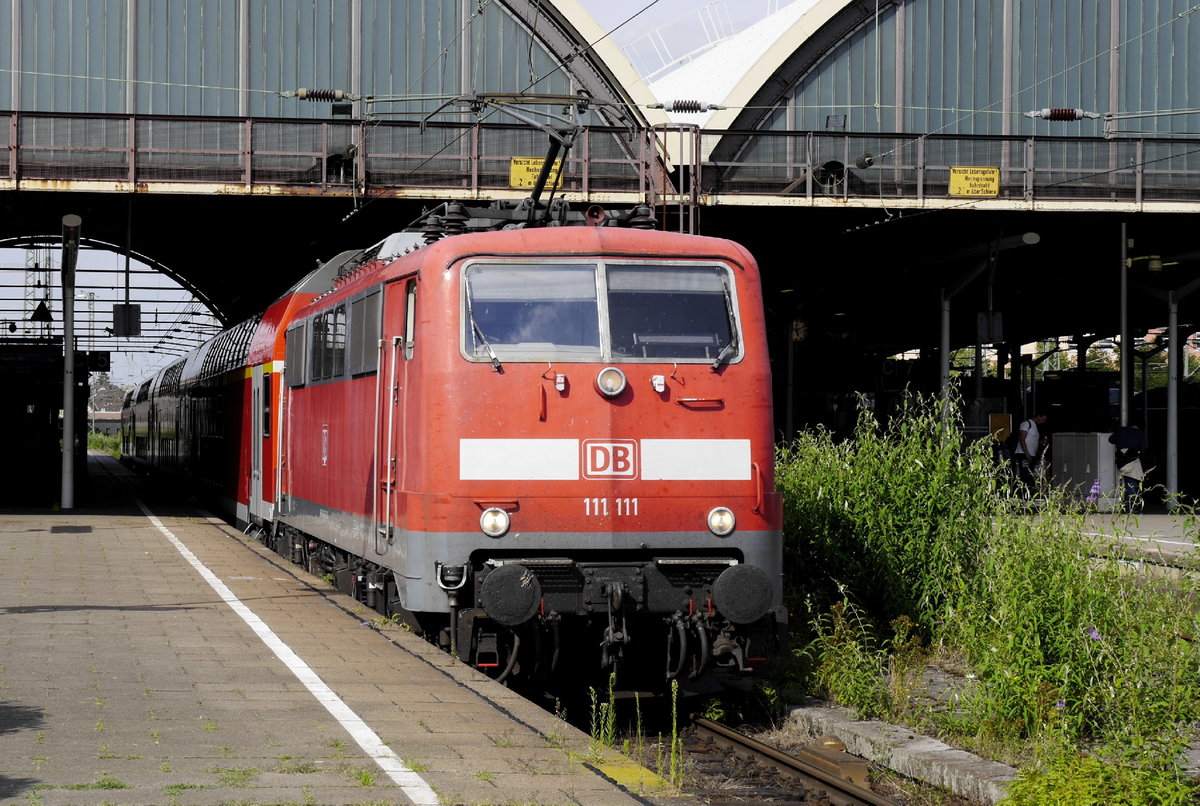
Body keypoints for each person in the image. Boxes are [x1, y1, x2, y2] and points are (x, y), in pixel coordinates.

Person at [1108, 424, 1148, 513]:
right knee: (1131, 485)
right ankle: (1128, 508)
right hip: (1132, 462)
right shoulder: (1140, 434)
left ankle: (1127, 506)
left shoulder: (1121, 431)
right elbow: (1143, 449)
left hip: (1121, 462)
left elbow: (1110, 439)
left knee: (1127, 484)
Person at [1013, 412, 1047, 495]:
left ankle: (1026, 492)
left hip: (1031, 454)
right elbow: (1022, 439)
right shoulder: (1026, 424)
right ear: (1039, 416)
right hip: (1024, 454)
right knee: (1024, 474)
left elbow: (1031, 440)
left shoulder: (1034, 426)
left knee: (1029, 473)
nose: (1043, 421)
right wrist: (1027, 453)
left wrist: (1040, 442)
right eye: (1043, 419)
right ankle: (1021, 493)